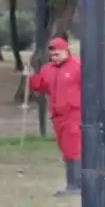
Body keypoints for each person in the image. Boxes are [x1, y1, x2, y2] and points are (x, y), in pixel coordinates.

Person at [27, 36, 81, 195]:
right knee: (65, 149)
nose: (55, 58)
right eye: (52, 55)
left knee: (73, 148)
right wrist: (31, 78)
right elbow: (40, 86)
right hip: (57, 116)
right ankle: (73, 182)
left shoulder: (77, 67)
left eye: (58, 54)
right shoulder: (47, 69)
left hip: (74, 114)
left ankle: (75, 184)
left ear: (66, 51)